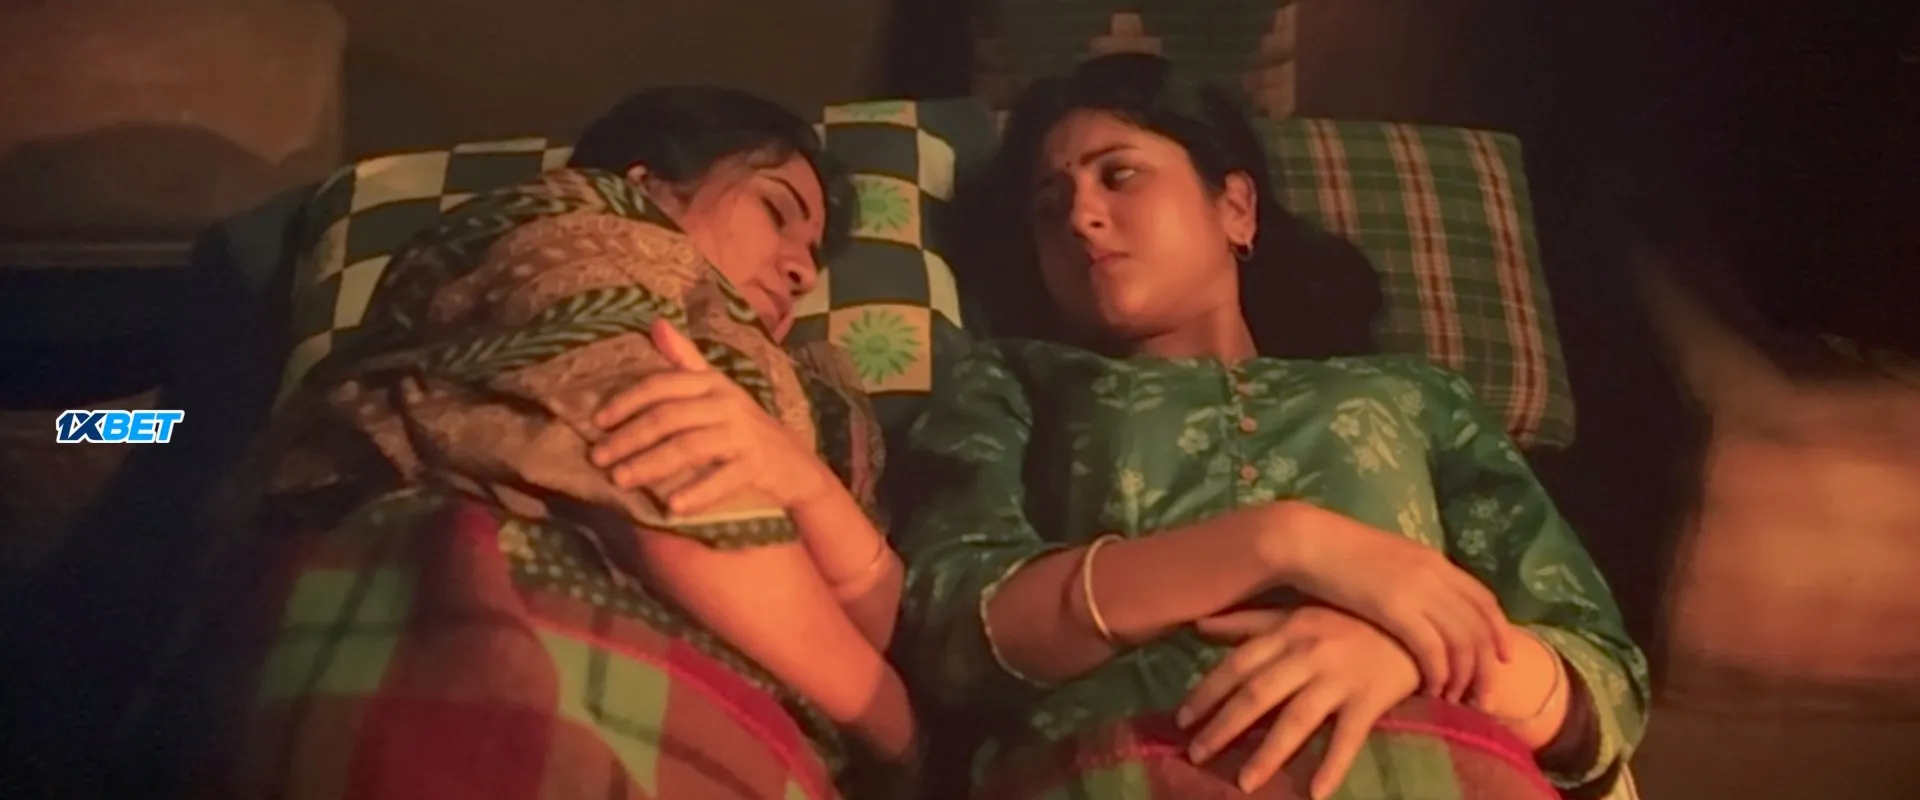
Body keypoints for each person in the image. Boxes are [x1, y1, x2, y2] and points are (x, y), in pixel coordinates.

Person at [890, 53, 1649, 800]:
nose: (1080, 217)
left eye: (1118, 175)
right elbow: (953, 631)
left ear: (1236, 208)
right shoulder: (1012, 384)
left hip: (1426, 768)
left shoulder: (1413, 396)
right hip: (1117, 771)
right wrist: (1281, 541)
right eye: (1049, 206)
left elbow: (1604, 684)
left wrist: (1416, 657)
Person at [174, 86, 917, 799]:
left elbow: (889, 623)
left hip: (755, 738)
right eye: (776, 211)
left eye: (815, 254)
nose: (802, 269)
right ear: (647, 184)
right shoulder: (575, 228)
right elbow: (678, 492)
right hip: (481, 623)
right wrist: (901, 730)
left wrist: (803, 479)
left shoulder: (813, 402)